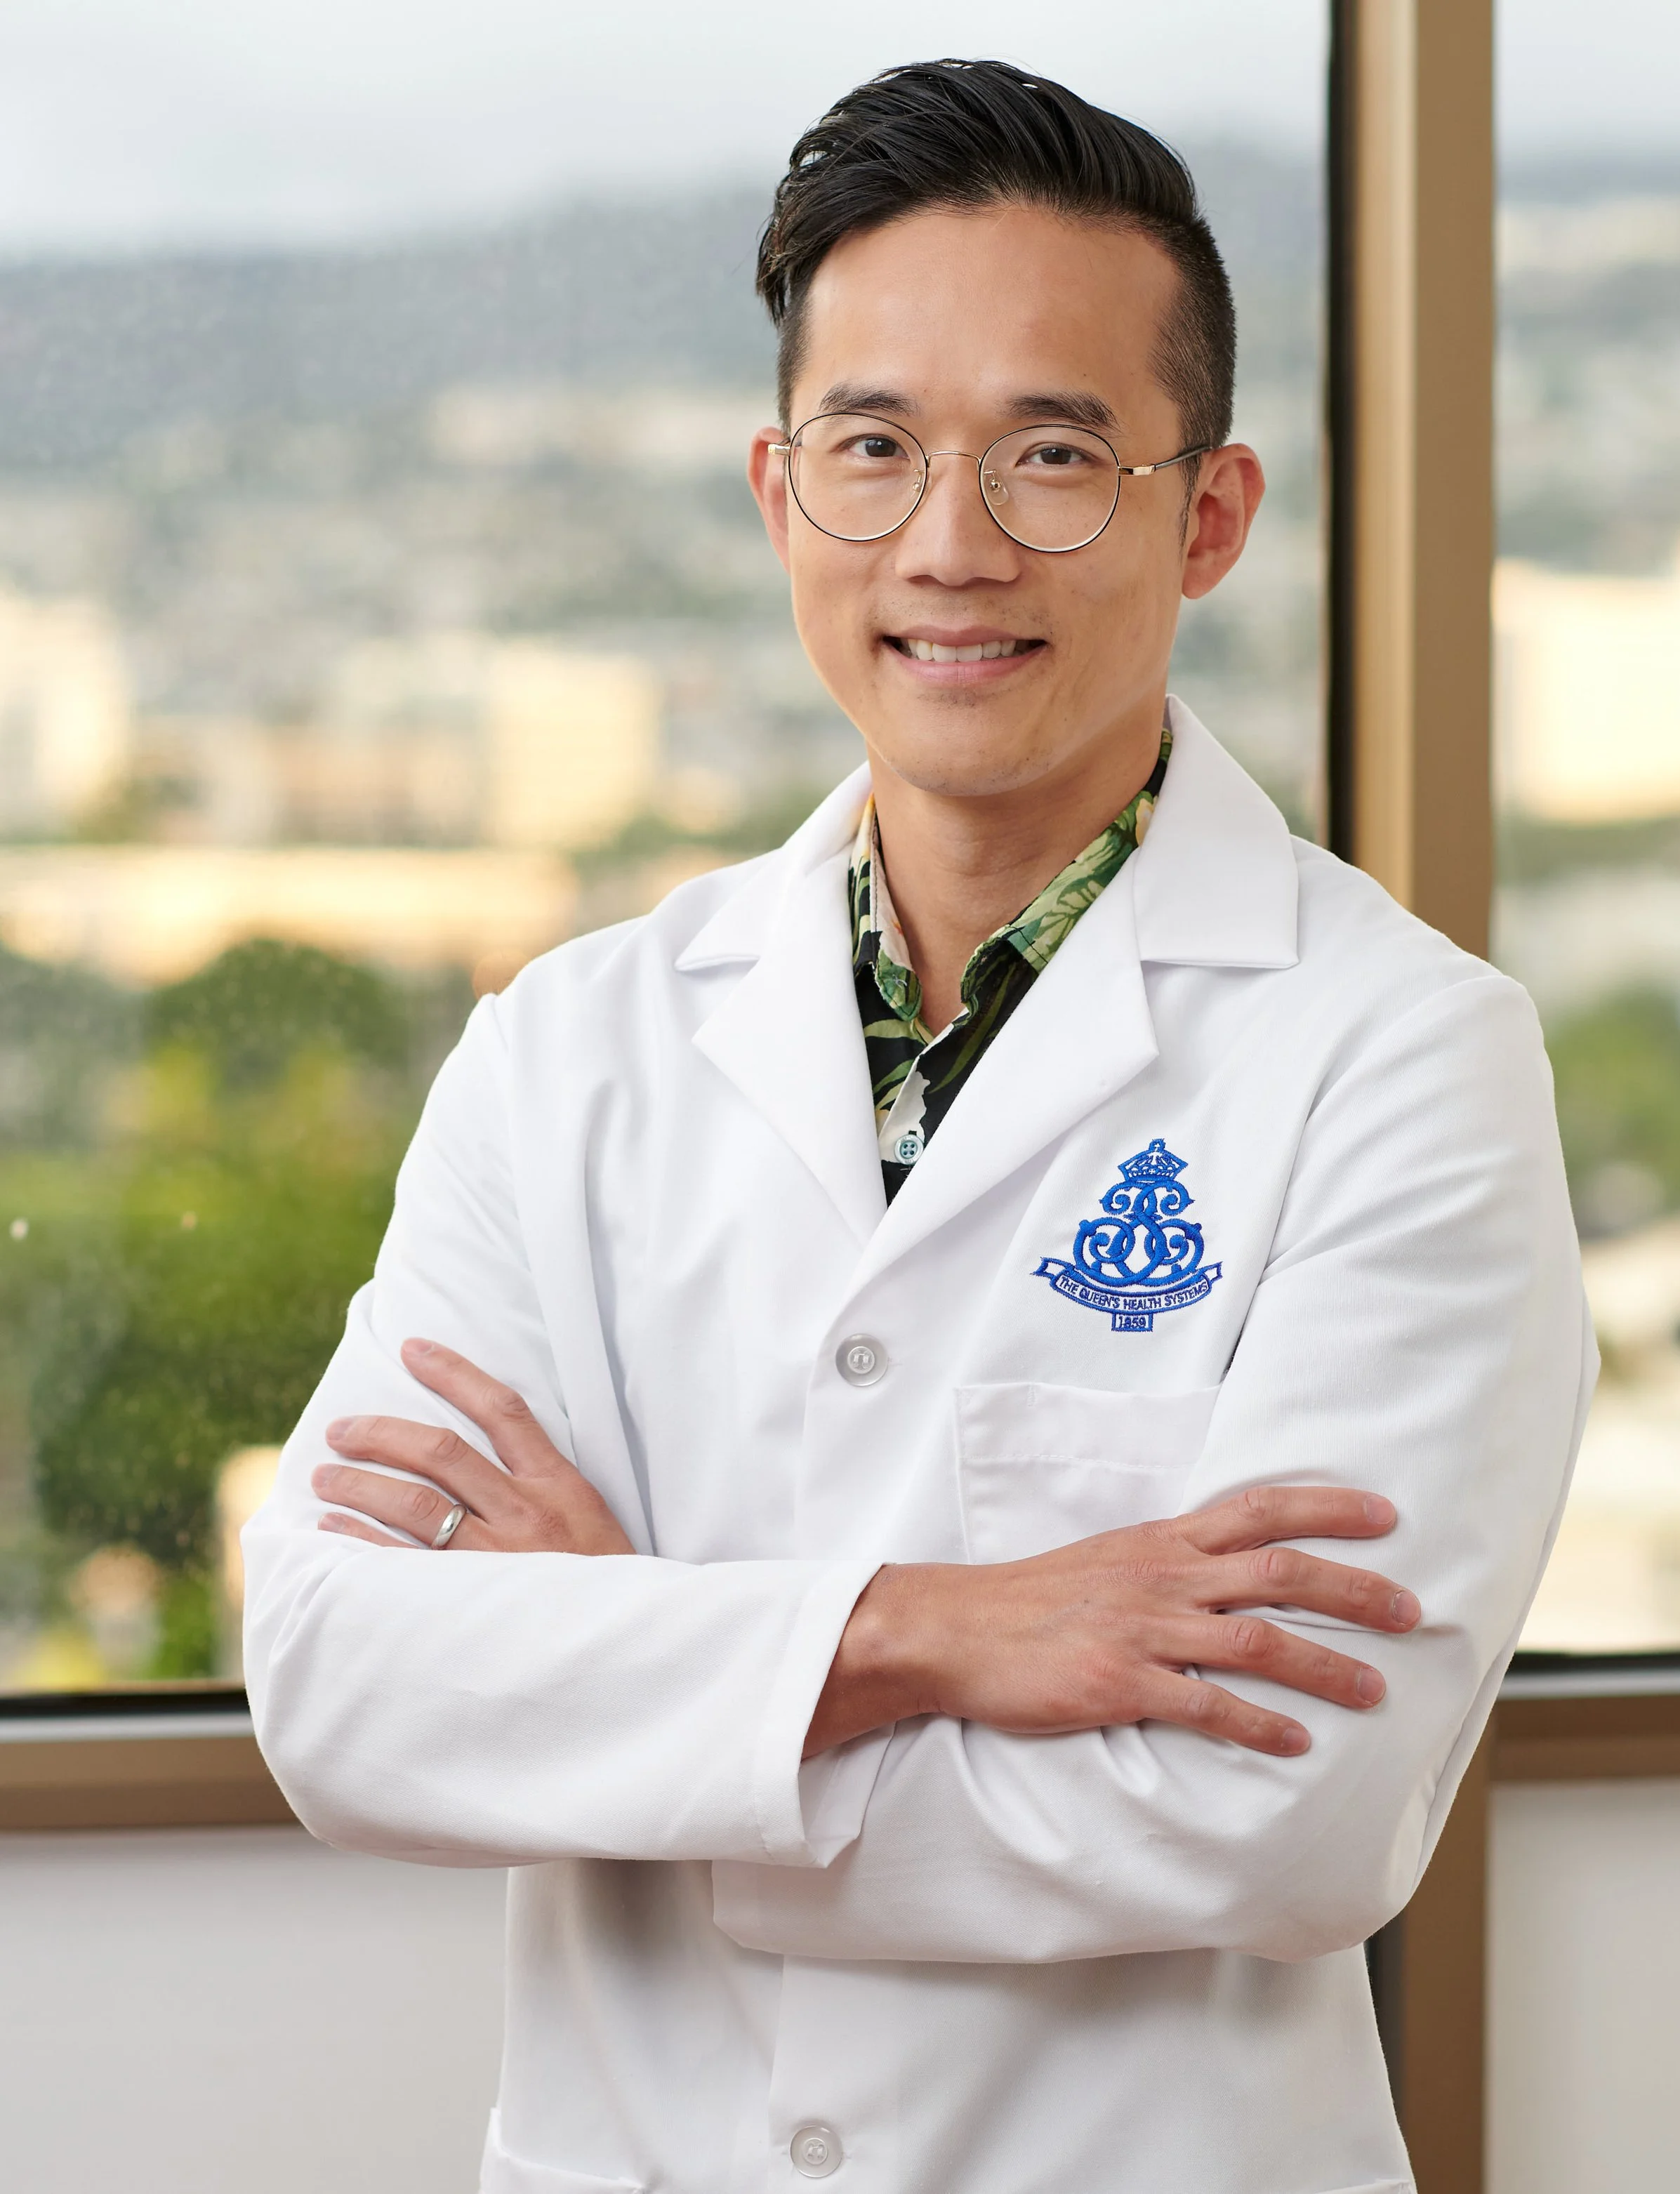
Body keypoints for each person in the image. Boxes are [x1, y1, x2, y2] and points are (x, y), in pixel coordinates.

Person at [244, 58, 1592, 2194]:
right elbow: (344, 1684)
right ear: (779, 493)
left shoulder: (1402, 1057)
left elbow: (1287, 1808)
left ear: (1208, 515)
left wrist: (643, 1680)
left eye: (1053, 456)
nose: (950, 547)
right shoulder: (569, 1047)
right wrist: (929, 1630)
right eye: (872, 450)